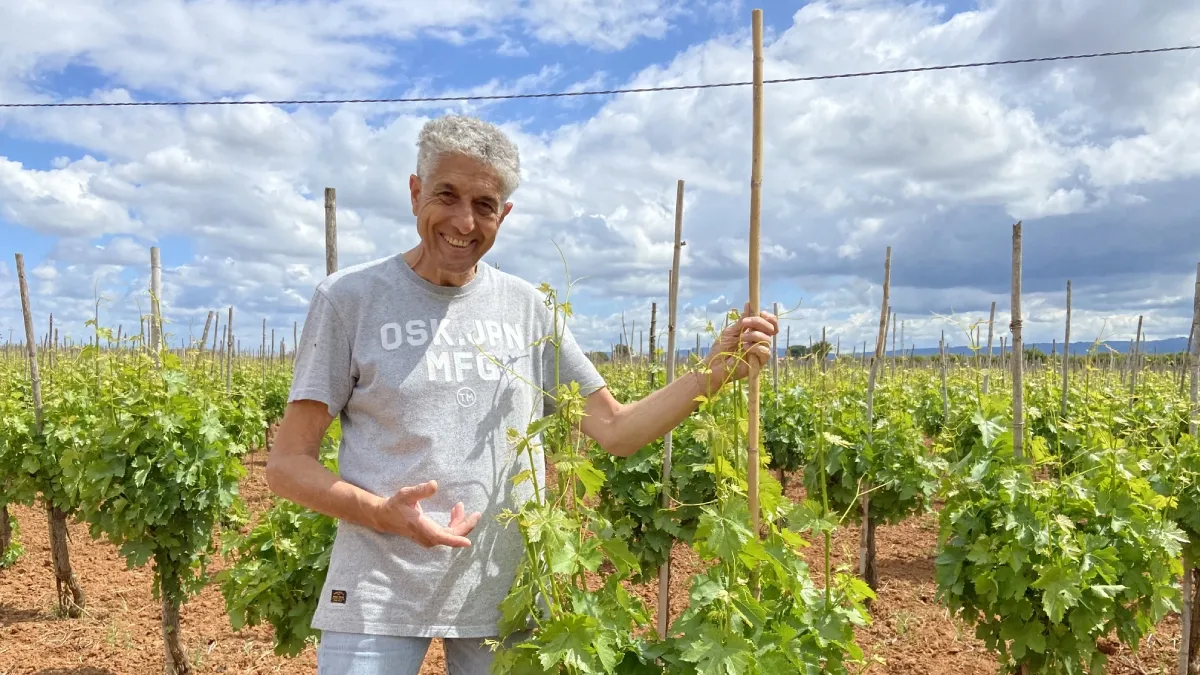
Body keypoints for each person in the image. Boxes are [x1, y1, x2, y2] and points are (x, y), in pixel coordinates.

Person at [265, 114, 779, 675]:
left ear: (503, 215)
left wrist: (712, 373)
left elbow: (616, 429)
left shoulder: (528, 307)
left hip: (505, 600)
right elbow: (287, 465)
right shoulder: (350, 299)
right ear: (415, 193)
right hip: (377, 594)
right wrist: (384, 515)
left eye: (485, 205)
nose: (464, 221)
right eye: (447, 194)